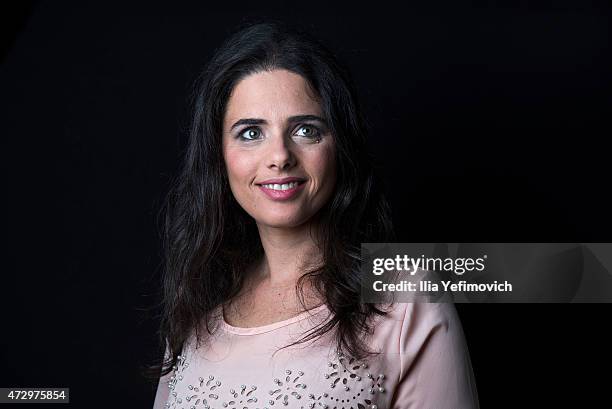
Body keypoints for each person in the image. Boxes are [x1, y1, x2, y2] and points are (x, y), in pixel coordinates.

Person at [151, 21, 479, 409]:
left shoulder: (403, 299)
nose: (279, 157)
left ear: (340, 146)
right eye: (251, 133)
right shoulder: (197, 309)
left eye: (306, 130)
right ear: (218, 156)